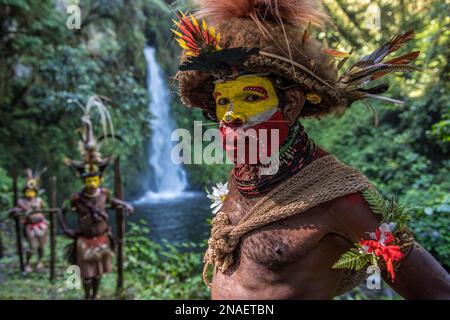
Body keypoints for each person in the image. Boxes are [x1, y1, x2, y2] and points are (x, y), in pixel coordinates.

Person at [173, 0, 450, 299]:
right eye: (223, 101)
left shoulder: (342, 199)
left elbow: (435, 290)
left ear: (291, 104)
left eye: (250, 98)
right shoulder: (244, 176)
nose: (230, 115)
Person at [59, 98, 133, 299]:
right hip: (84, 240)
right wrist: (66, 230)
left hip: (102, 239)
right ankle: (88, 295)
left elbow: (112, 203)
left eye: (95, 178)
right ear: (83, 179)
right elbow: (62, 210)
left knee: (99, 271)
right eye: (88, 179)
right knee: (86, 273)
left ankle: (95, 295)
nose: (92, 182)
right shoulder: (76, 198)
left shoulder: (105, 194)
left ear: (99, 179)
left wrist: (124, 204)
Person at [10, 169, 48, 273]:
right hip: (30, 226)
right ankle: (27, 263)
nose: (30, 194)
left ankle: (40, 261)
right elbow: (14, 211)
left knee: (41, 246)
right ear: (25, 192)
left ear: (35, 192)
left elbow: (45, 210)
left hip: (41, 225)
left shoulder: (39, 201)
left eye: (32, 191)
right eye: (28, 191)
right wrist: (17, 211)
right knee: (32, 246)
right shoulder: (21, 201)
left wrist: (38, 212)